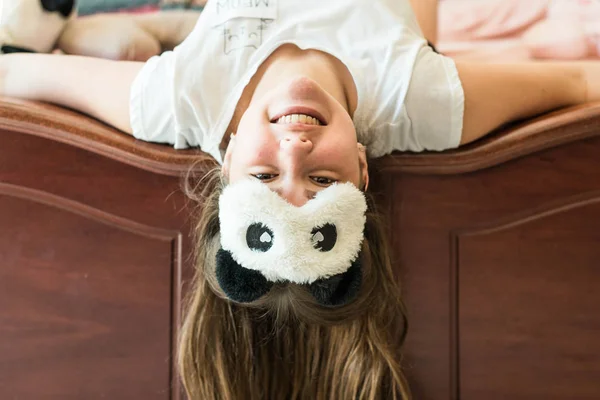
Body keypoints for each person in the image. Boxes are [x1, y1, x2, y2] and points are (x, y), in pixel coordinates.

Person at [1, 1, 599, 398]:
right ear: (364, 172)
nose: (295, 148)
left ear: (228, 158)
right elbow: (579, 81)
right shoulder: (424, 102)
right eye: (321, 183)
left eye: (263, 177)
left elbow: (26, 77)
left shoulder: (180, 98)